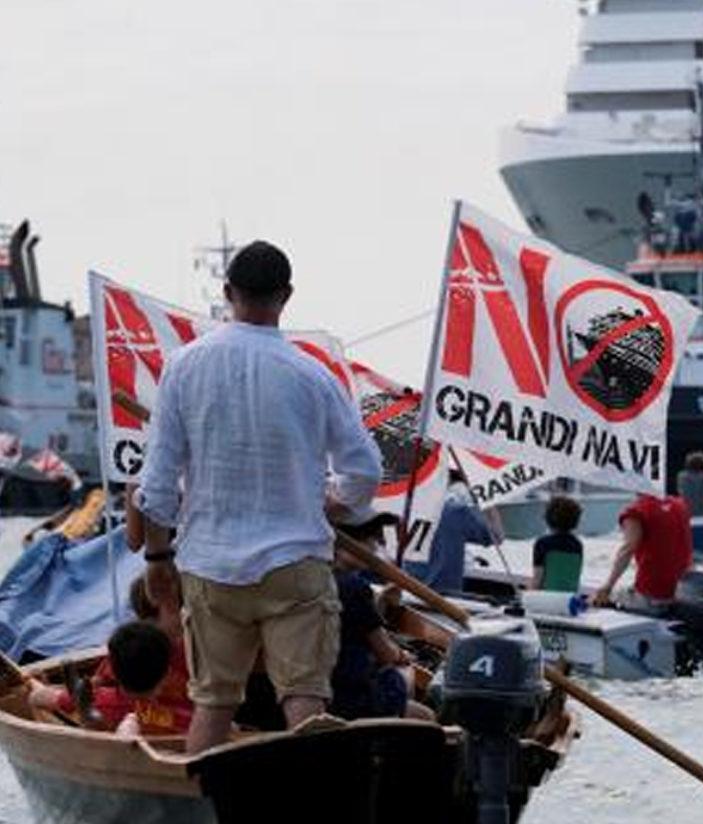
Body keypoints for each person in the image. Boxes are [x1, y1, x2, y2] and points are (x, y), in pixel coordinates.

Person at [135, 240, 382, 754]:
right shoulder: (314, 375)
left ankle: (203, 806)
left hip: (209, 566)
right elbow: (364, 470)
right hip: (295, 563)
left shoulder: (183, 366)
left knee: (214, 703)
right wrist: (335, 503)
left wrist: (158, 558)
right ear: (286, 297)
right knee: (304, 702)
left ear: (228, 293)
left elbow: (156, 486)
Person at [331, 514, 435, 722]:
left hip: (325, 682)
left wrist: (380, 602)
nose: (376, 547)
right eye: (372, 539)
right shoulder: (353, 587)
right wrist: (401, 655)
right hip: (345, 693)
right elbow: (387, 653)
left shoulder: (319, 577)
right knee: (425, 714)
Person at [28, 620, 192, 737]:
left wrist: (40, 687)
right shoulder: (193, 710)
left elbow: (37, 699)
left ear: (112, 669)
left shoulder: (101, 700)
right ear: (167, 672)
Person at [593, 494, 693, 615]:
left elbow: (627, 549)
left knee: (597, 599)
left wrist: (608, 586)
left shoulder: (636, 511)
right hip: (681, 592)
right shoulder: (680, 505)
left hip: (651, 594)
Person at [404, 469, 497, 595]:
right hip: (443, 597)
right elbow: (496, 535)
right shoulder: (456, 512)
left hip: (403, 591)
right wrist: (485, 493)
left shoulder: (400, 507)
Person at [531, 496, 584, 592]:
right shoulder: (577, 545)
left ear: (548, 519)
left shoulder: (542, 543)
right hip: (568, 598)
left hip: (547, 598)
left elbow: (537, 581)